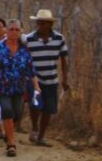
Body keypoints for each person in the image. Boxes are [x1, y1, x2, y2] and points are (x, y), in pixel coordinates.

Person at [0, 19, 40, 157]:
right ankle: (11, 143)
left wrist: (36, 86)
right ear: (6, 31)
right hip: (2, 87)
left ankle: (8, 132)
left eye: (17, 30)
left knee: (16, 113)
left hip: (18, 88)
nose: (14, 32)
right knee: (7, 110)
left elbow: (31, 70)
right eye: (11, 29)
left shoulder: (24, 51)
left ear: (21, 31)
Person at [25, 9, 70, 146]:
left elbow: (63, 59)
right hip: (35, 80)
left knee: (49, 109)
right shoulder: (29, 39)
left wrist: (65, 78)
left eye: (43, 23)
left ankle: (41, 135)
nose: (40, 25)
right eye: (38, 23)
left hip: (51, 78)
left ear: (50, 24)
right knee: (36, 106)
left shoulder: (59, 39)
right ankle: (34, 128)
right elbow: (25, 59)